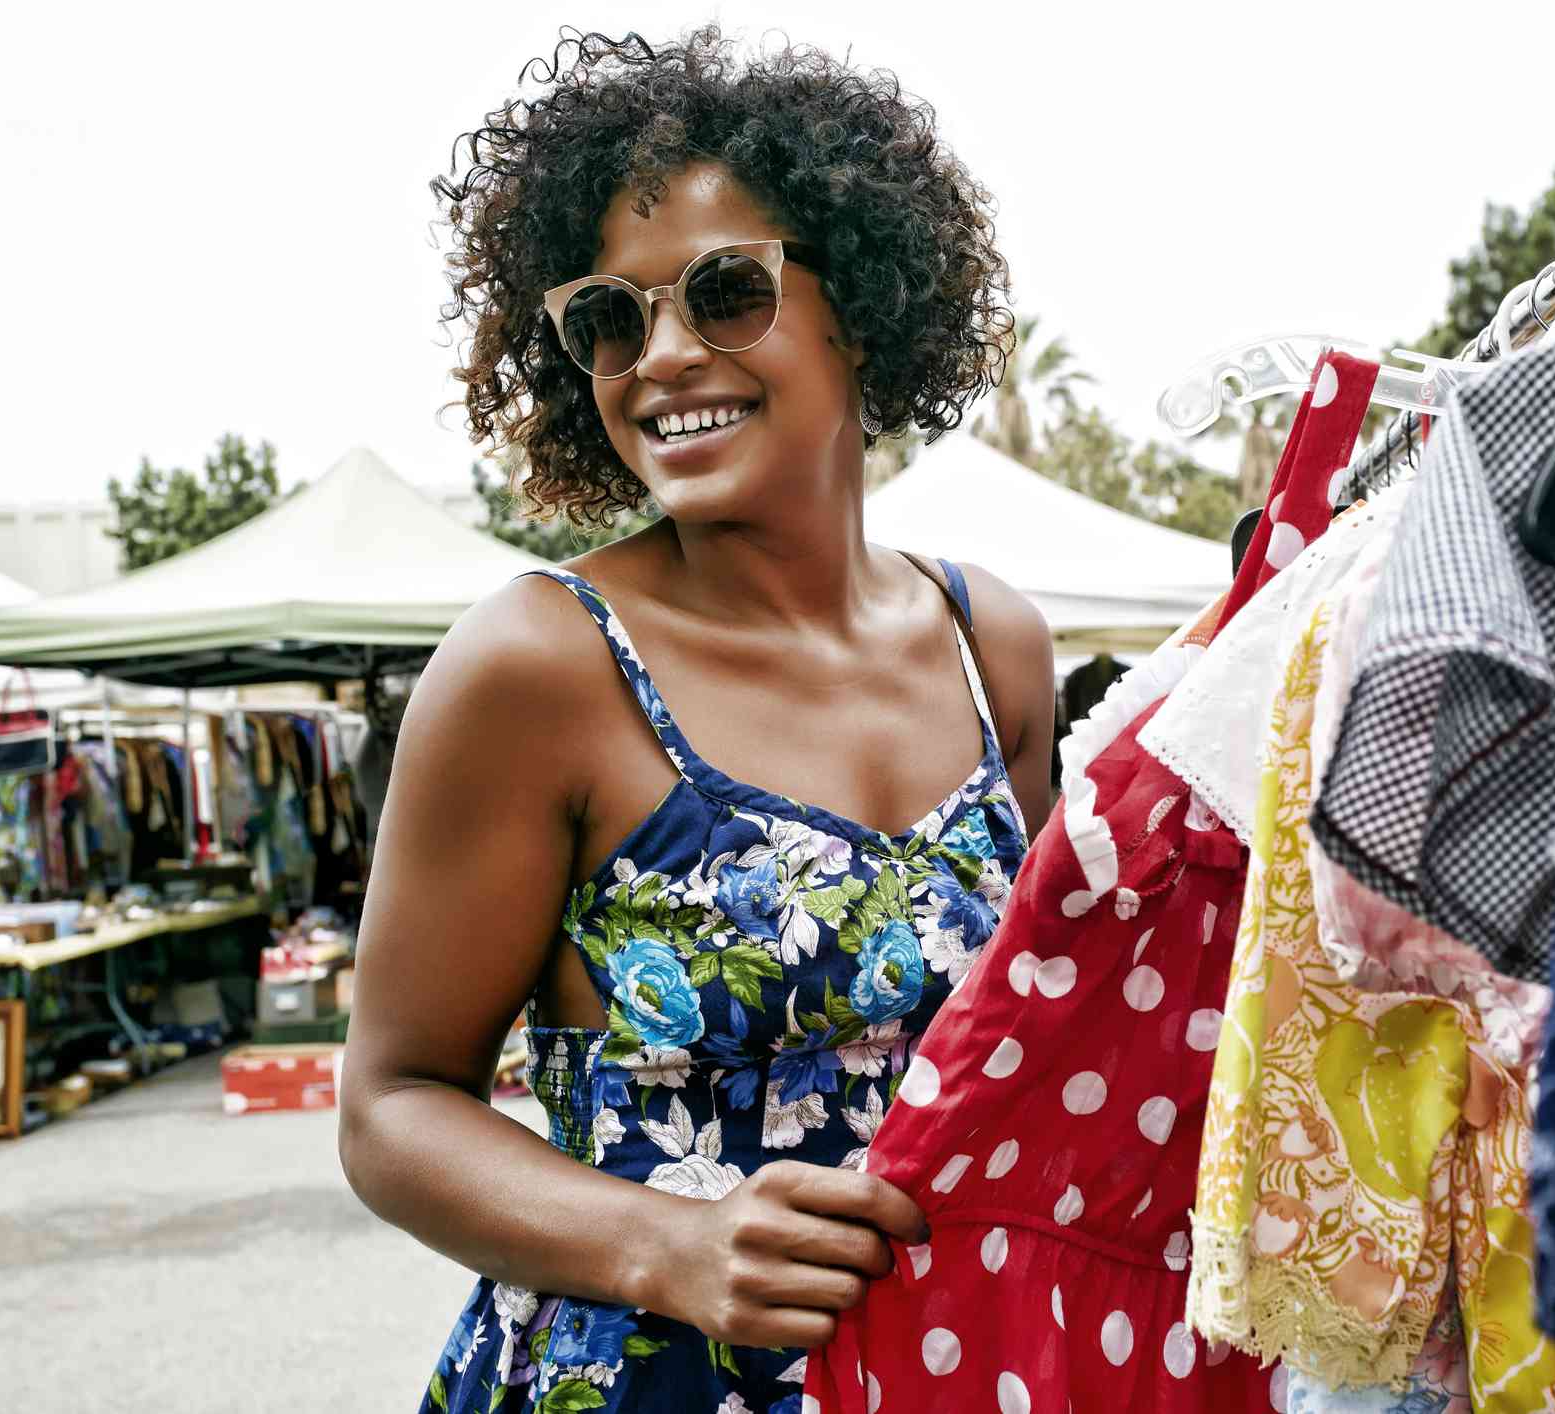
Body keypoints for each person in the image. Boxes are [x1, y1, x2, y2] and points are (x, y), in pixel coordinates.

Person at [337, 27, 1055, 1414]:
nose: (662, 356)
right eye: (611, 319)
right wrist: (667, 1244)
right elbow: (392, 1104)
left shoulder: (993, 649)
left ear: (861, 309)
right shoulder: (537, 668)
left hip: (951, 1367)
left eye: (727, 292)